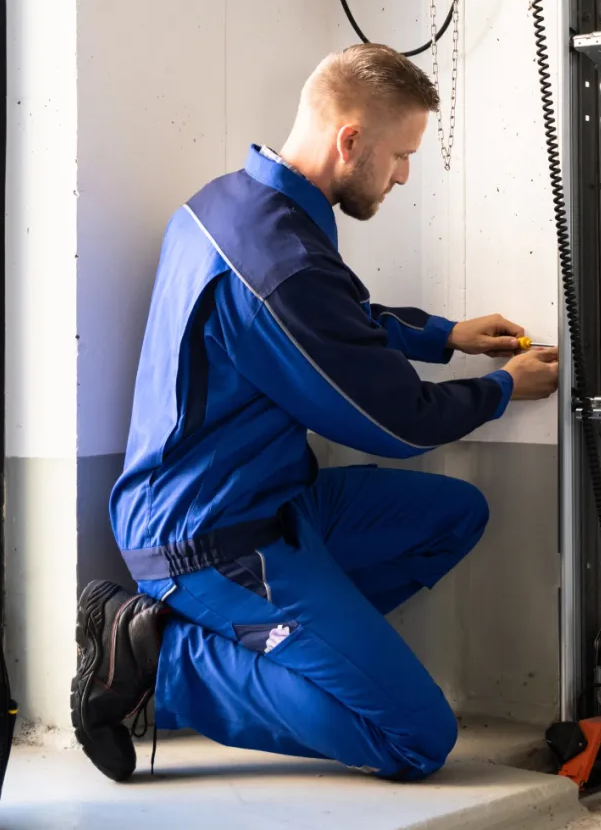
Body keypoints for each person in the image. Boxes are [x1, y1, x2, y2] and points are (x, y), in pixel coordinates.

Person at [70, 43, 559, 784]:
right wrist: (499, 389)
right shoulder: (276, 264)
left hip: (274, 501)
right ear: (350, 140)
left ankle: (292, 653)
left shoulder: (231, 204)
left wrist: (445, 336)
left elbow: (337, 320)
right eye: (399, 155)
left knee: (455, 514)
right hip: (209, 538)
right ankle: (162, 661)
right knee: (415, 737)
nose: (402, 175)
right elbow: (399, 422)